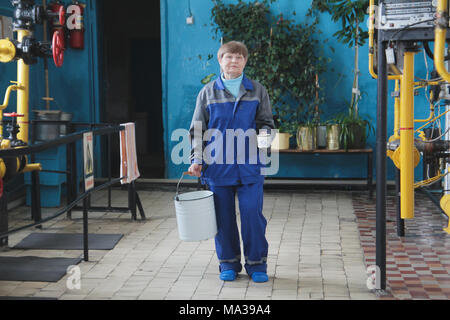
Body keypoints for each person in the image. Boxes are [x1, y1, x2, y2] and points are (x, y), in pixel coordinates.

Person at [188, 41, 275, 283]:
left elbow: (267, 124)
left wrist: (262, 144)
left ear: (245, 62)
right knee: (222, 217)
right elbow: (197, 129)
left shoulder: (258, 91)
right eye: (229, 57)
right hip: (217, 166)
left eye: (239, 57)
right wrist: (196, 159)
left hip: (250, 166)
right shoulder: (207, 93)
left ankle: (257, 264)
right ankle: (228, 263)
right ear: (220, 61)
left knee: (251, 215)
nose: (234, 61)